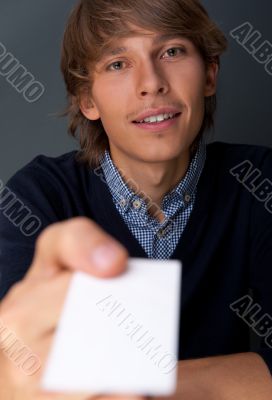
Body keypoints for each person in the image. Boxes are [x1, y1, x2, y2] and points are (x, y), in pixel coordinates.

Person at [0, 0, 272, 398]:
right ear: (86, 100)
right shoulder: (39, 197)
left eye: (172, 51)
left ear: (210, 74)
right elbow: (15, 372)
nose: (152, 82)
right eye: (117, 63)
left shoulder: (258, 182)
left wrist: (119, 384)